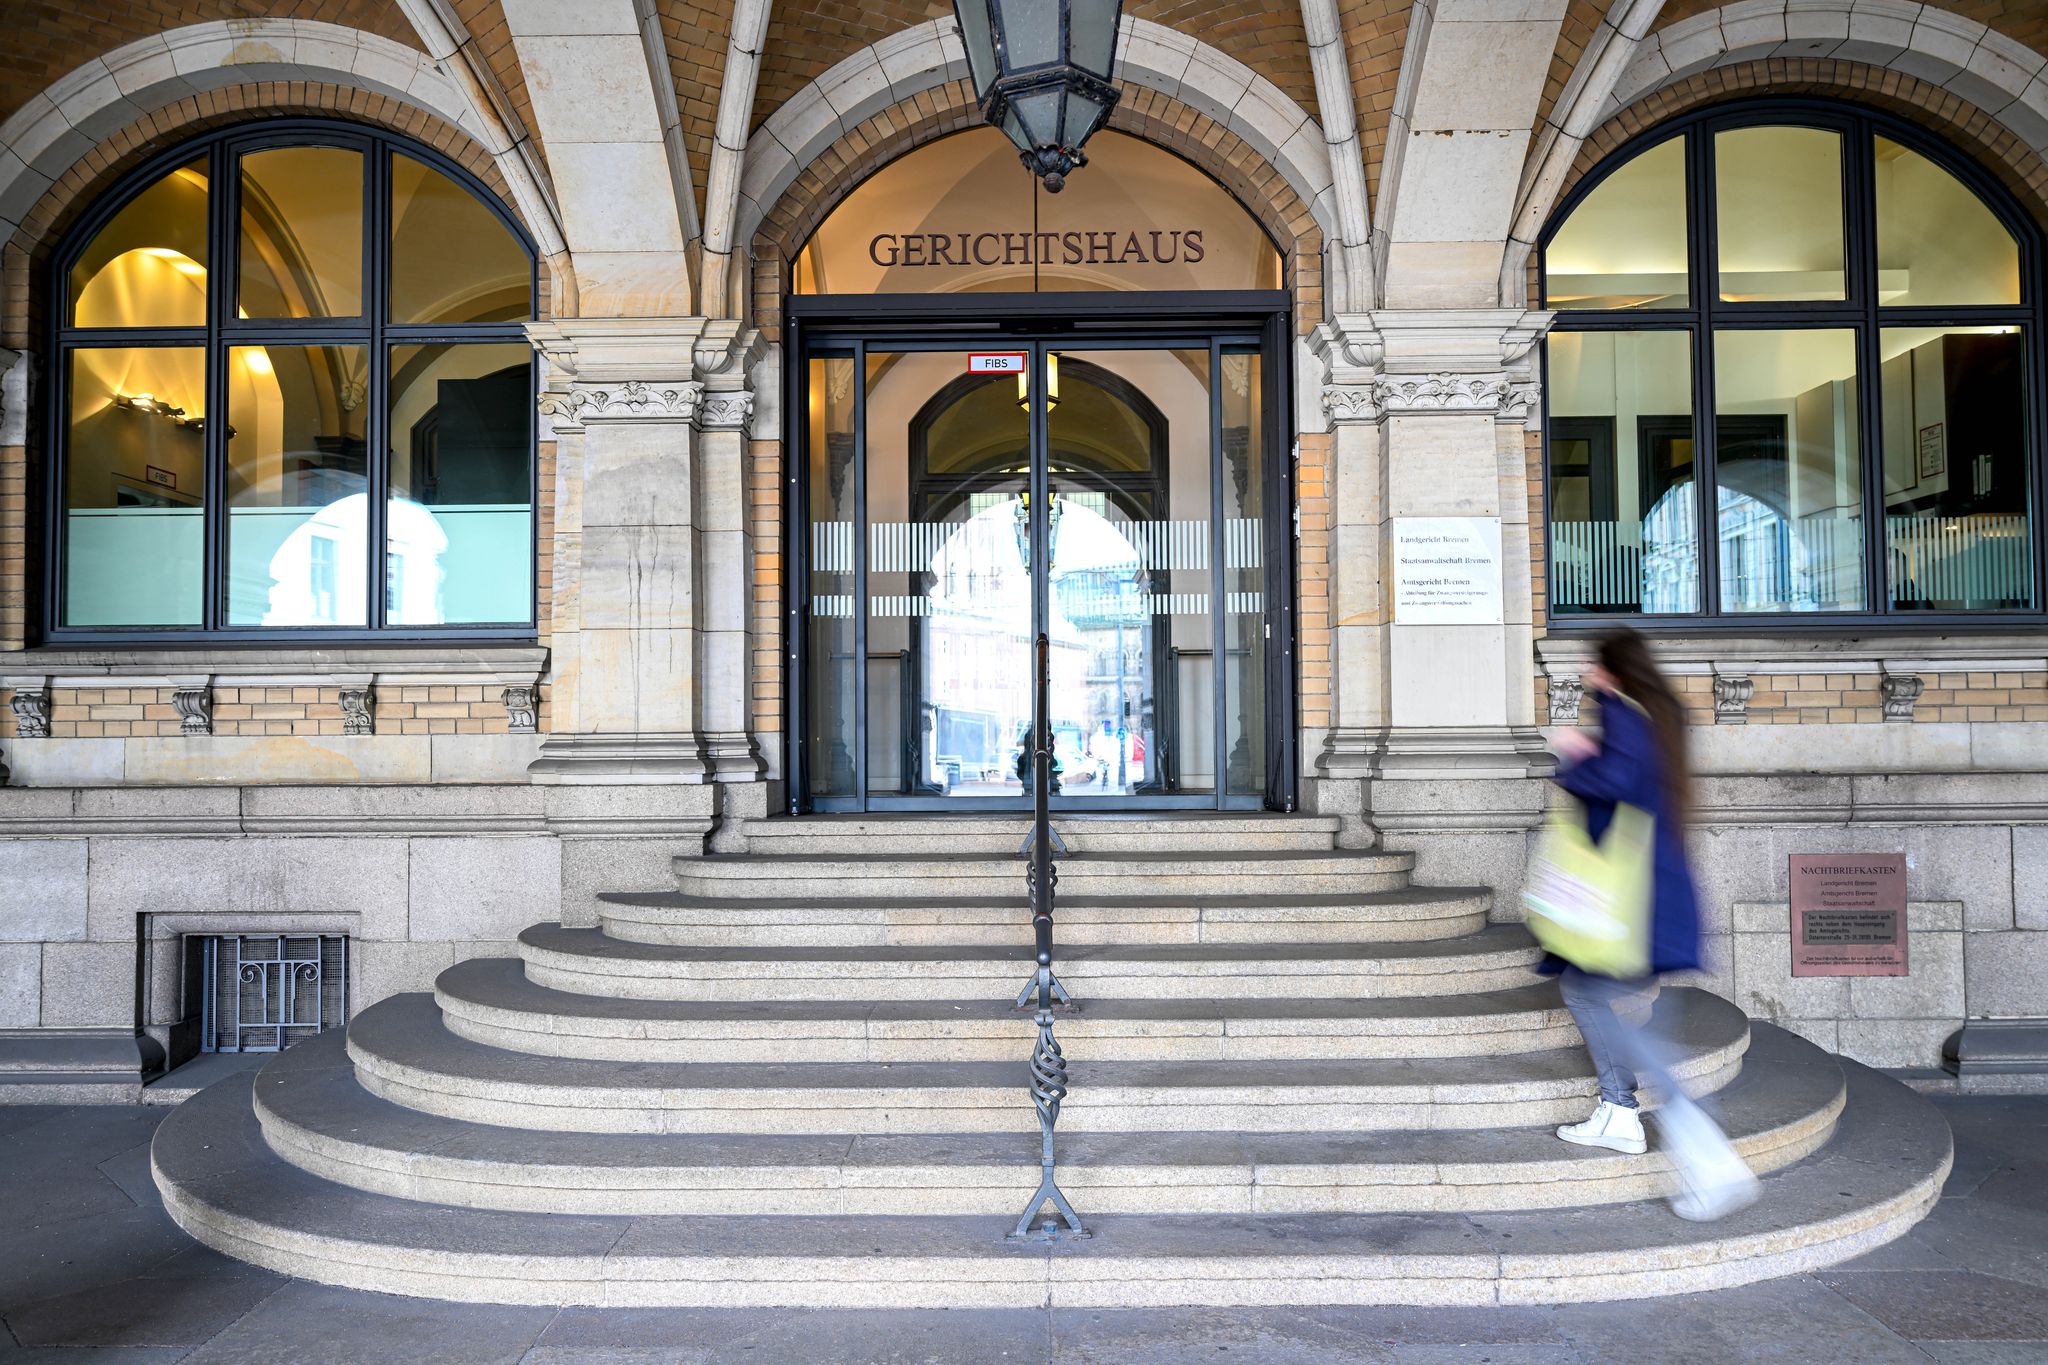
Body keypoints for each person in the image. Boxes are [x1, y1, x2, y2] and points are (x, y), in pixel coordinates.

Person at [1545, 627, 1760, 1222]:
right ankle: (1620, 1111)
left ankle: (1700, 1144)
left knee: (1599, 999)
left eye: (1594, 664)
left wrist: (1576, 755)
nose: (1587, 673)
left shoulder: (1623, 713)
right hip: (1653, 894)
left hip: (1629, 900)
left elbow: (1613, 783)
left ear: (1613, 669)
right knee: (1608, 999)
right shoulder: (1662, 714)